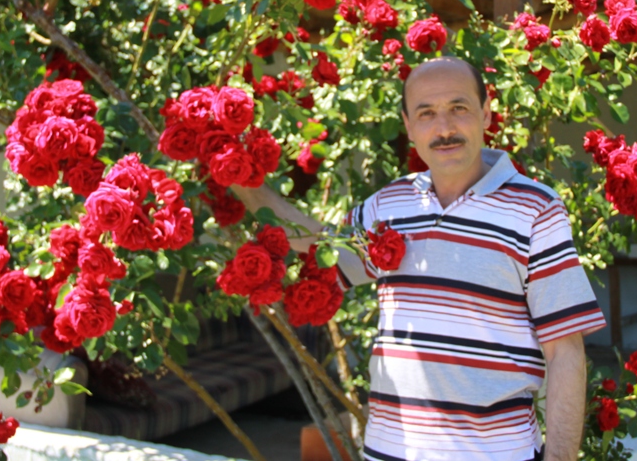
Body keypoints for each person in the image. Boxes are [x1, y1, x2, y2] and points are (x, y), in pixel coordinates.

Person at [235, 56, 605, 461]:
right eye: (426, 113)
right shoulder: (389, 205)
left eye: (458, 109)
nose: (444, 128)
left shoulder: (535, 208)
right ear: (409, 126)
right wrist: (238, 176)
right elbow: (318, 243)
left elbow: (565, 350)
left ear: (485, 113)